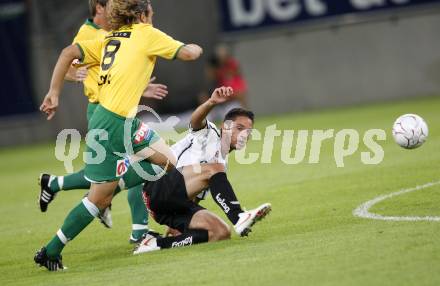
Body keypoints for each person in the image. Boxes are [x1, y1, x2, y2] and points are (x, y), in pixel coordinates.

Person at [35, 0, 203, 271]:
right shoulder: (145, 33)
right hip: (112, 124)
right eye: (150, 11)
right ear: (141, 14)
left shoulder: (110, 37)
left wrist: (54, 92)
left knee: (169, 162)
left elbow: (68, 53)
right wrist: (197, 47)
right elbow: (188, 54)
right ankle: (51, 251)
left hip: (123, 120)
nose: (153, 15)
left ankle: (161, 223)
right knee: (99, 198)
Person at [37, 0, 168, 244]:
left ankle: (54, 183)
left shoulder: (114, 30)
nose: (118, 8)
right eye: (112, 4)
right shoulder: (88, 33)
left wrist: (140, 87)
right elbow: (68, 63)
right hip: (104, 111)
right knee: (135, 167)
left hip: (118, 109)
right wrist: (72, 77)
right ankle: (139, 232)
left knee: (120, 171)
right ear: (99, 8)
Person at [133, 86, 271, 254]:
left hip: (171, 205)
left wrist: (179, 223)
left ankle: (156, 243)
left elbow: (193, 195)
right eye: (240, 128)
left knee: (220, 232)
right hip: (157, 186)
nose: (244, 135)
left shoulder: (220, 164)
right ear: (225, 126)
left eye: (248, 132)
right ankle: (239, 216)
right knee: (213, 169)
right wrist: (211, 102)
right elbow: (195, 120)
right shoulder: (210, 132)